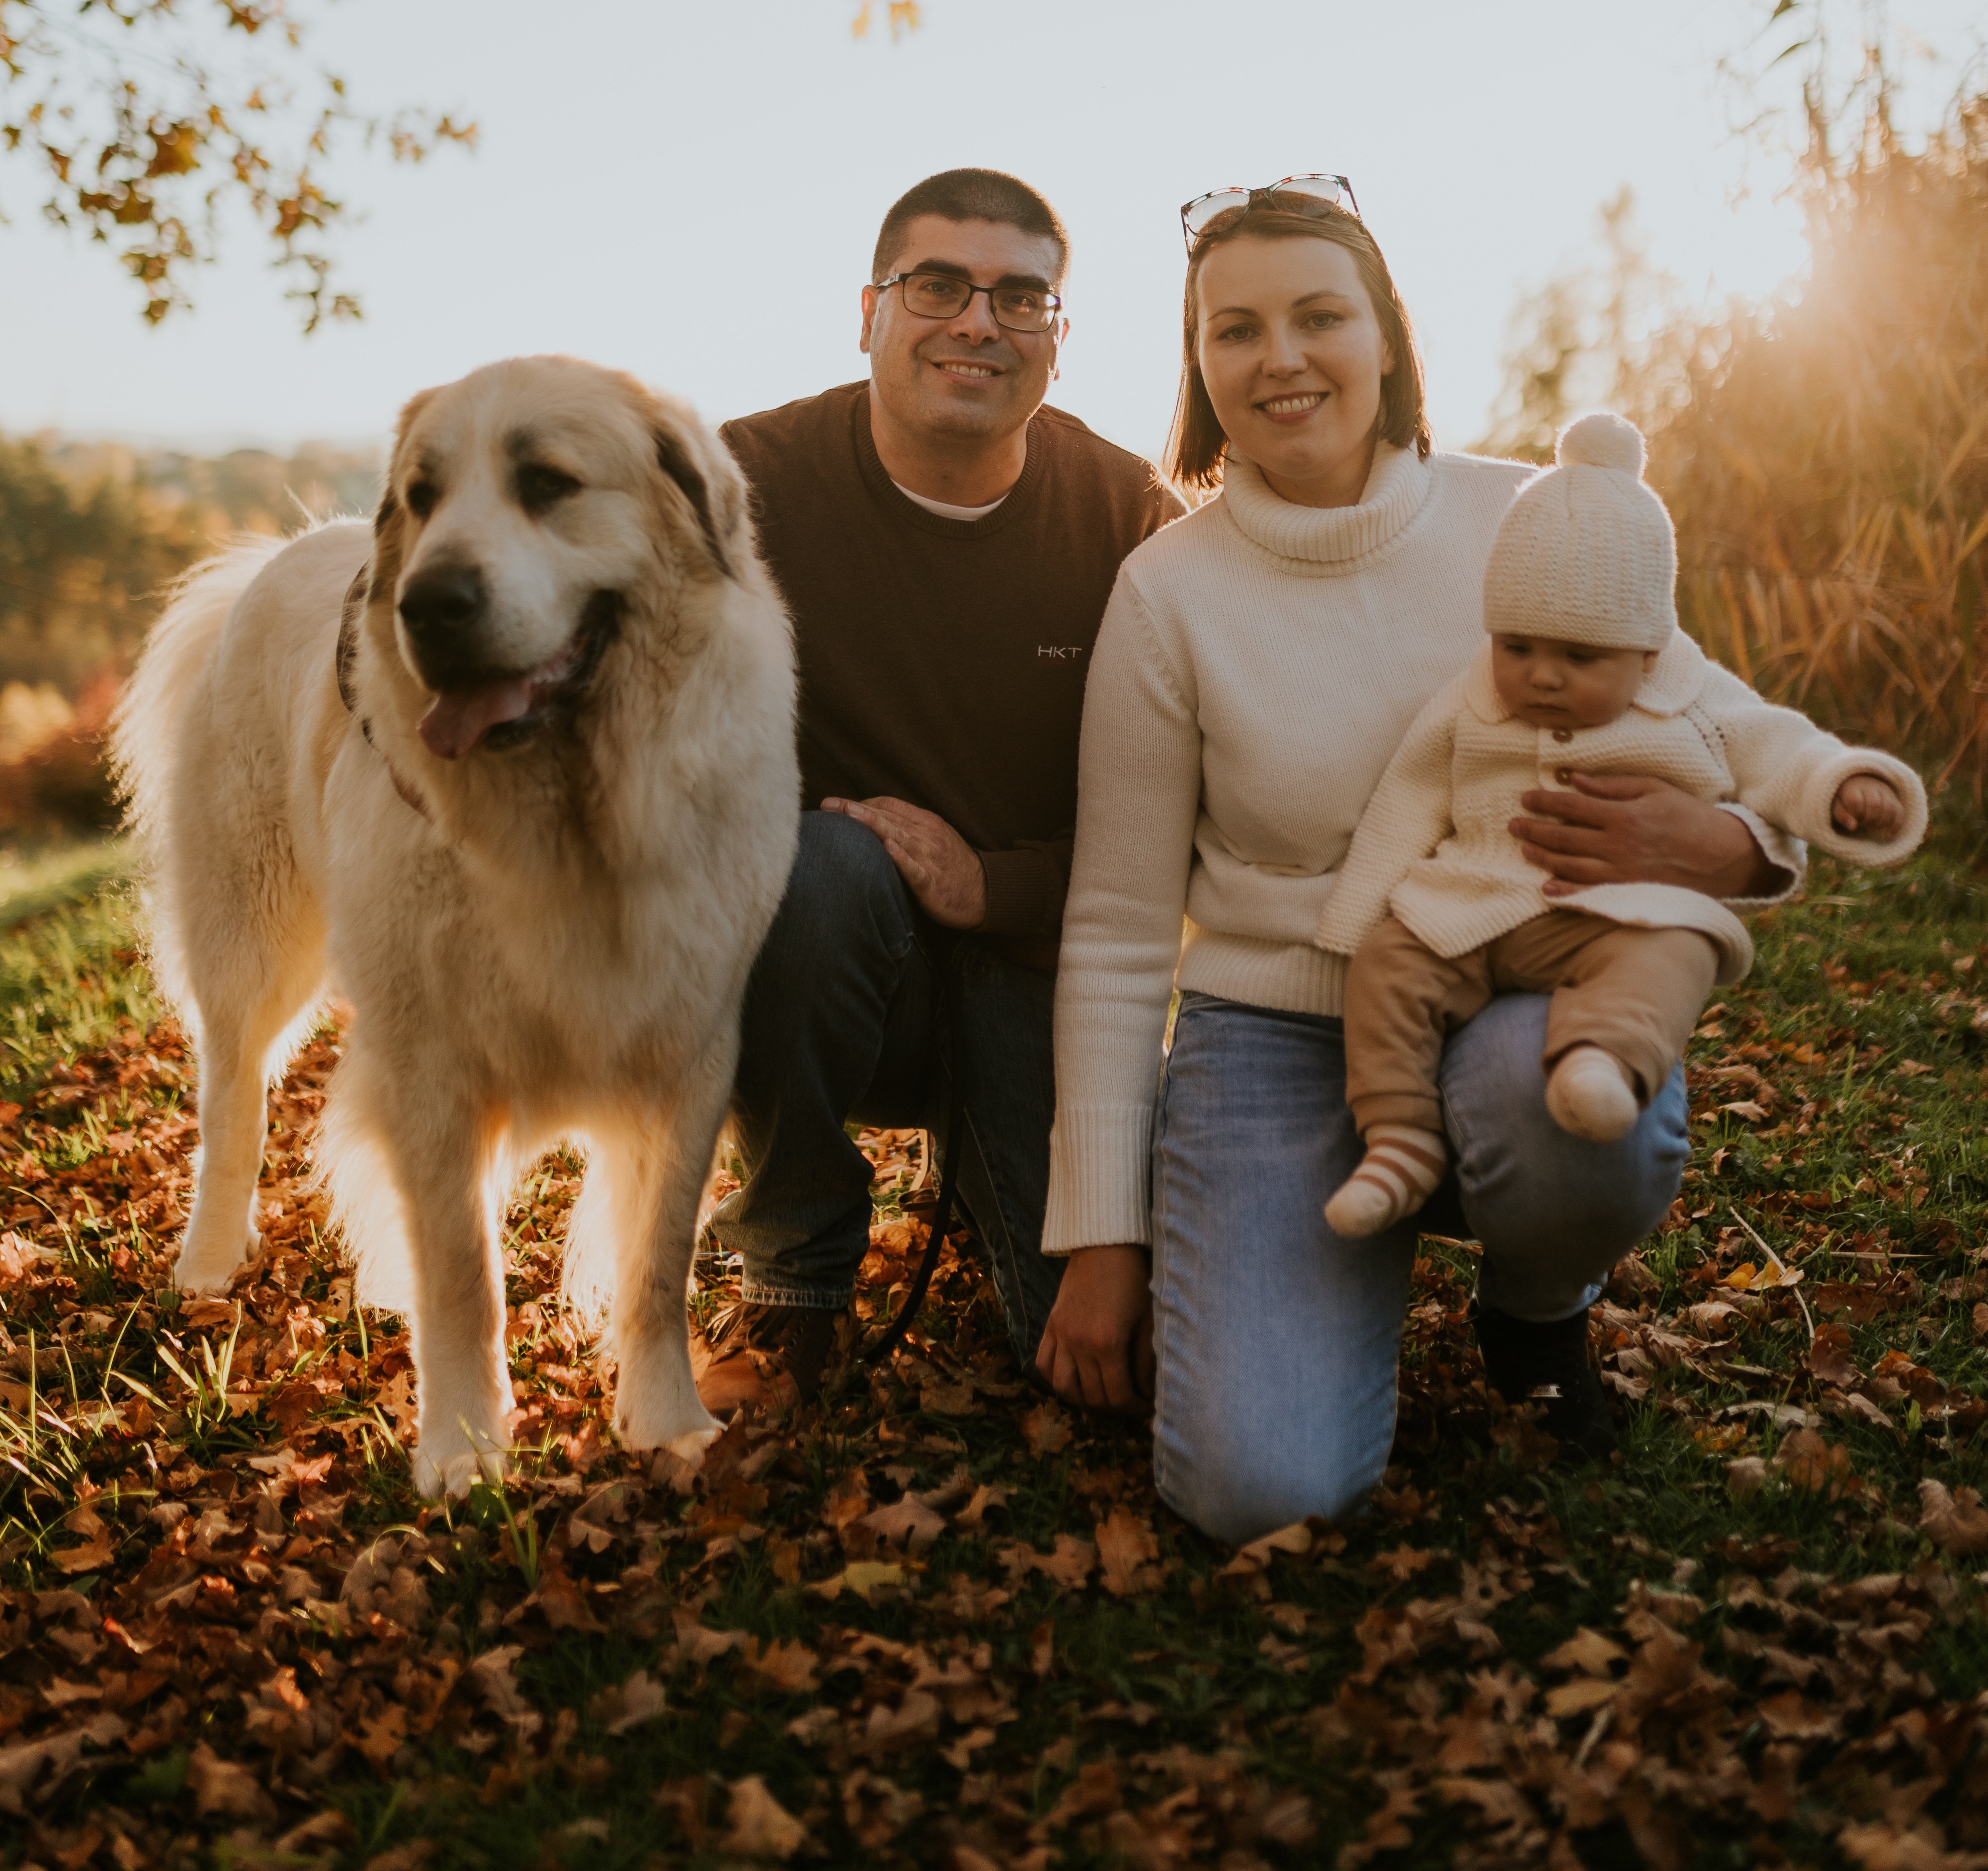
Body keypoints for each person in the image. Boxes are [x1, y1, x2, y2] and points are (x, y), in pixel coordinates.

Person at [1033, 180, 1802, 1542]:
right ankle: (1326, 1256)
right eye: (1236, 329)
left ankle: (1533, 1300)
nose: (1280, 357)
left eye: (1320, 316)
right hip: (1268, 1041)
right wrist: (1105, 1236)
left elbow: (1735, 738)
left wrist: (1728, 844)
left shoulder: (1535, 518)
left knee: (1572, 1119)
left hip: (1511, 999)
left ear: (1385, 337)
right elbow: (1114, 931)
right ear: (1201, 367)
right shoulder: (1168, 592)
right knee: (1253, 1495)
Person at [698, 167, 1182, 1413]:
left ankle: (975, 1171)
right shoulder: (736, 491)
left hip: (1042, 969)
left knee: (1110, 1381)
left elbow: (1187, 833)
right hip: (827, 961)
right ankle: (796, 1276)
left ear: (1057, 346)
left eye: (1022, 298)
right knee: (821, 866)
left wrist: (990, 884)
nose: (977, 321)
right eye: (937, 286)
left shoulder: (1129, 519)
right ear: (867, 313)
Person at [1317, 409, 1924, 1240]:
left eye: (1578, 658)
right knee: (1388, 963)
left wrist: (1844, 783)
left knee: (1676, 950)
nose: (1542, 677)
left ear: (1648, 653)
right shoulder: (1470, 699)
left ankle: (1601, 1061)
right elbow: (1407, 799)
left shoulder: (1693, 698)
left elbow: (1781, 750)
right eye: (1519, 646)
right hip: (1472, 909)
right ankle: (1397, 1139)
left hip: (1617, 920)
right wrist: (1358, 918)